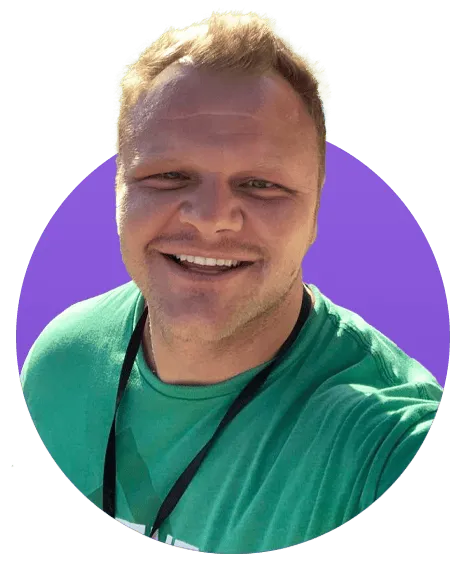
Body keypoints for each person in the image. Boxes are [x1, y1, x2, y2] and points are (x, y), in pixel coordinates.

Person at [20, 9, 443, 554]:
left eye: (261, 184)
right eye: (169, 175)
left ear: (317, 212)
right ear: (118, 187)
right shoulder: (60, 362)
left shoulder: (388, 446)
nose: (211, 218)